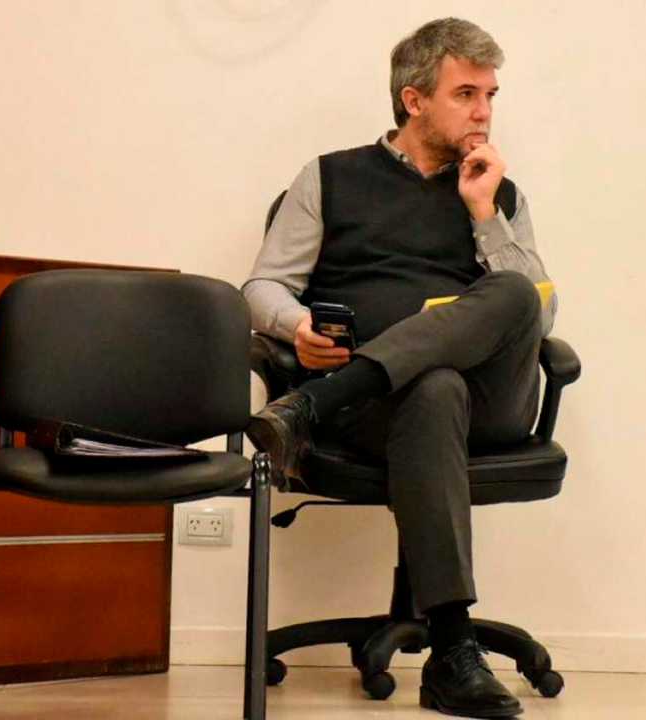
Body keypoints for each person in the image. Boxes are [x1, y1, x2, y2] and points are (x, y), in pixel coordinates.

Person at [242, 16, 558, 719]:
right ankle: (452, 652)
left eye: (490, 95)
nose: (483, 112)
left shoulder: (499, 193)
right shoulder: (329, 177)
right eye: (465, 94)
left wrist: (484, 215)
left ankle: (311, 405)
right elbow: (261, 287)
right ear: (413, 100)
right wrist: (296, 327)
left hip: (488, 403)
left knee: (515, 291)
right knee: (432, 385)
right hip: (380, 413)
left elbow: (539, 317)